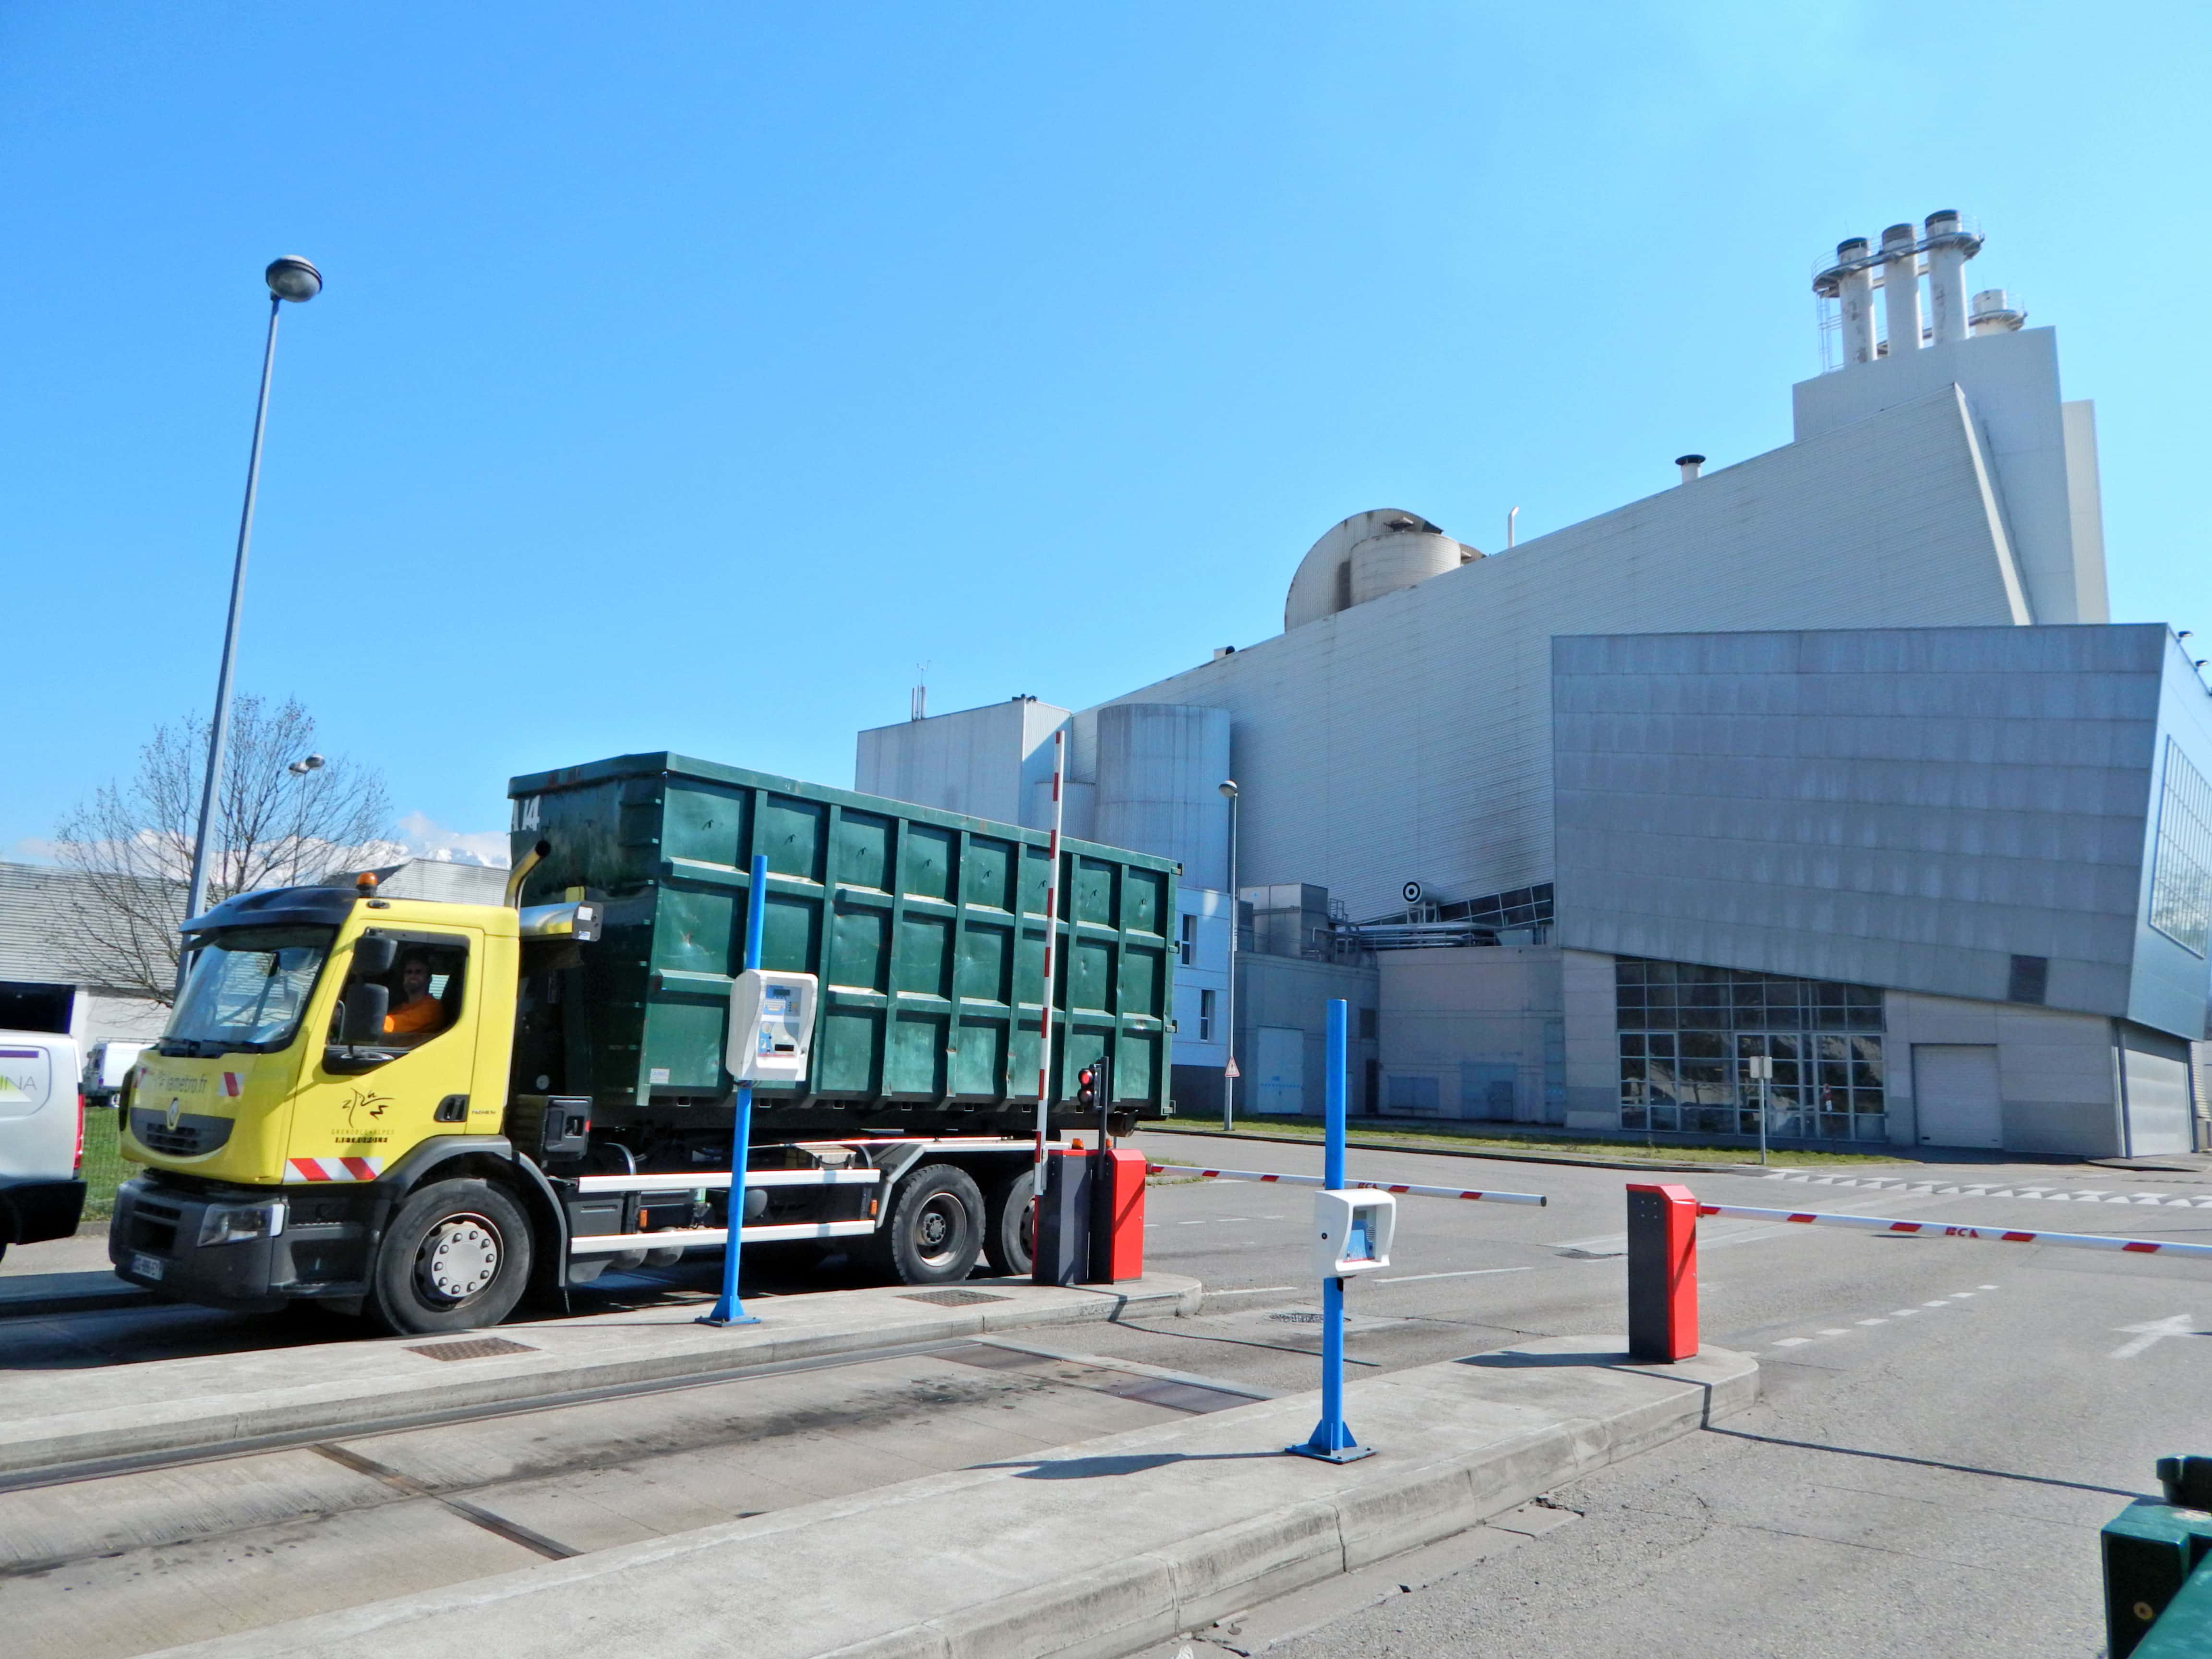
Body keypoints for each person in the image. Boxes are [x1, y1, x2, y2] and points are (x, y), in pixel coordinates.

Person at [384, 954, 445, 1037]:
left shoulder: (432, 1008)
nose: (413, 976)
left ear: (429, 980)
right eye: (409, 972)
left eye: (419, 972)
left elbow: (390, 1025)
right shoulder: (400, 1008)